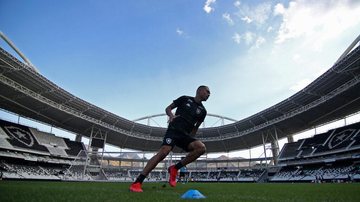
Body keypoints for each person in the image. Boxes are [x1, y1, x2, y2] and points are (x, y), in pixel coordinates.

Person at [129, 85, 210, 192]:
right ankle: (137, 182)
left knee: (201, 148)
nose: (209, 94)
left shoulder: (203, 111)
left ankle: (175, 168)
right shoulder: (185, 99)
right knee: (163, 152)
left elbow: (196, 127)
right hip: (173, 130)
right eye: (207, 91)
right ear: (199, 91)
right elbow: (168, 108)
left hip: (185, 135)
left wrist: (191, 139)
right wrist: (171, 116)